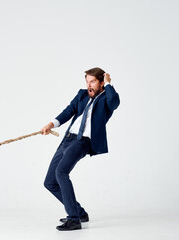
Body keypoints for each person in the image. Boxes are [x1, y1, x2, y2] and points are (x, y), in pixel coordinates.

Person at [41, 67, 120, 231]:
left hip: (82, 141)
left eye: (93, 81)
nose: (89, 85)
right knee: (49, 182)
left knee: (61, 172)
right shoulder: (82, 95)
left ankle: (74, 219)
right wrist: (51, 123)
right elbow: (69, 111)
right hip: (67, 139)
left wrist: (109, 84)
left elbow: (115, 103)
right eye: (87, 81)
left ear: (101, 82)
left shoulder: (106, 99)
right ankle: (79, 212)